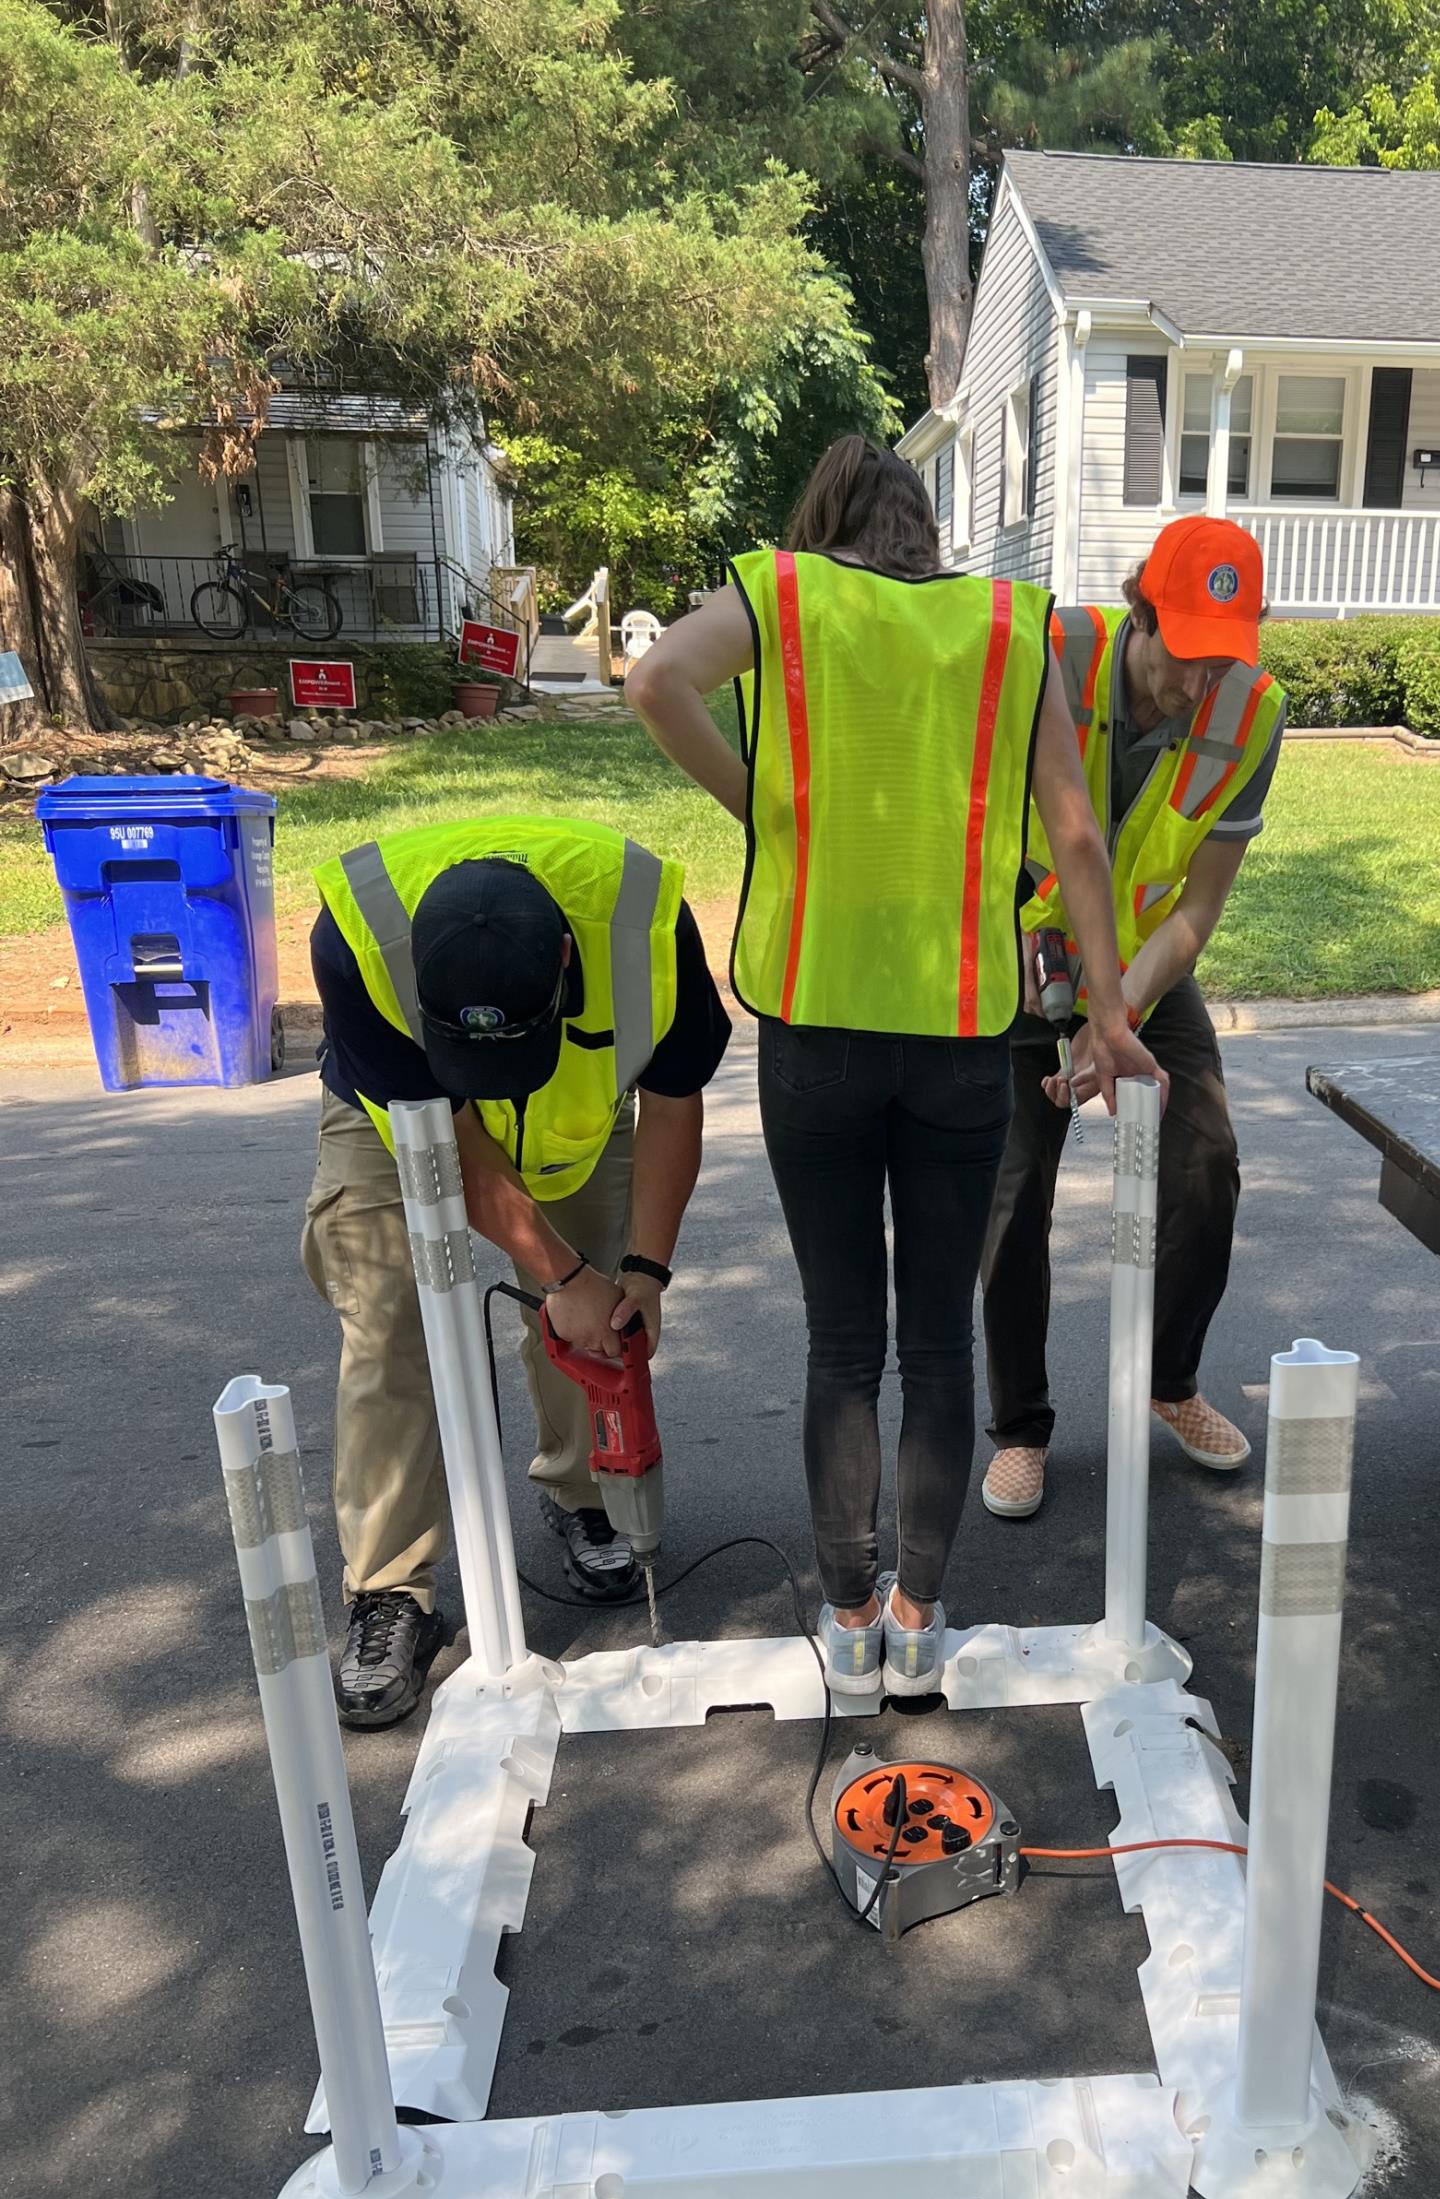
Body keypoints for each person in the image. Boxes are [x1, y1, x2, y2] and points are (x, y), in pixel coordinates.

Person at [627, 434, 1161, 1699]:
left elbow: (654, 684)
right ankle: (922, 1622)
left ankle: (850, 1623)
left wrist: (762, 800)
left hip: (815, 1024)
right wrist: (1106, 1006)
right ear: (928, 531)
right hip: (963, 1036)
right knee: (937, 1345)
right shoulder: (1007, 625)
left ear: (823, 523)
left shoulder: (786, 594)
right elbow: (1077, 831)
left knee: (839, 1346)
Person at [303, 815, 731, 1727]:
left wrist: (641, 1271)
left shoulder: (646, 924)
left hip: (578, 1118)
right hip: (402, 1126)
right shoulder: (357, 936)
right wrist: (560, 1270)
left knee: (595, 1320)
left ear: (568, 962)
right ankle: (390, 1591)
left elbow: (672, 1098)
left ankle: (588, 1500)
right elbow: (445, 1140)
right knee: (390, 1329)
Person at [978, 516, 1287, 1520]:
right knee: (1012, 1198)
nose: (1200, 687)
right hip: (1020, 961)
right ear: (1141, 613)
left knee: (1207, 1163)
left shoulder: (1254, 714)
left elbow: (1197, 908)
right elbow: (967, 816)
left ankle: (1170, 1381)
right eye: (1186, 655)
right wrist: (1023, 967)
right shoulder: (1053, 656)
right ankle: (1021, 1427)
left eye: (1224, 659)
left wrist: (1115, 1015)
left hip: (1145, 964)